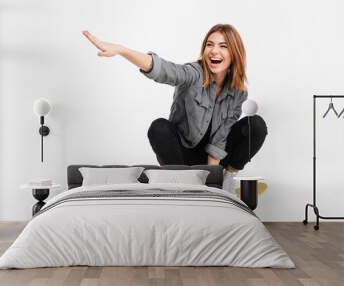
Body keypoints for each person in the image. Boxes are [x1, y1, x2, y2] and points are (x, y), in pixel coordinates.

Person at [82, 24, 267, 193]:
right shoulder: (194, 73)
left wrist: (213, 178)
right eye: (210, 45)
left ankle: (227, 178)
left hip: (215, 160)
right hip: (183, 157)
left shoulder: (238, 91)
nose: (214, 51)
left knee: (255, 125)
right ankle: (183, 185)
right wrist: (122, 50)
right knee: (159, 127)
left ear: (234, 53)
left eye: (223, 46)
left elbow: (221, 136)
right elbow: (164, 70)